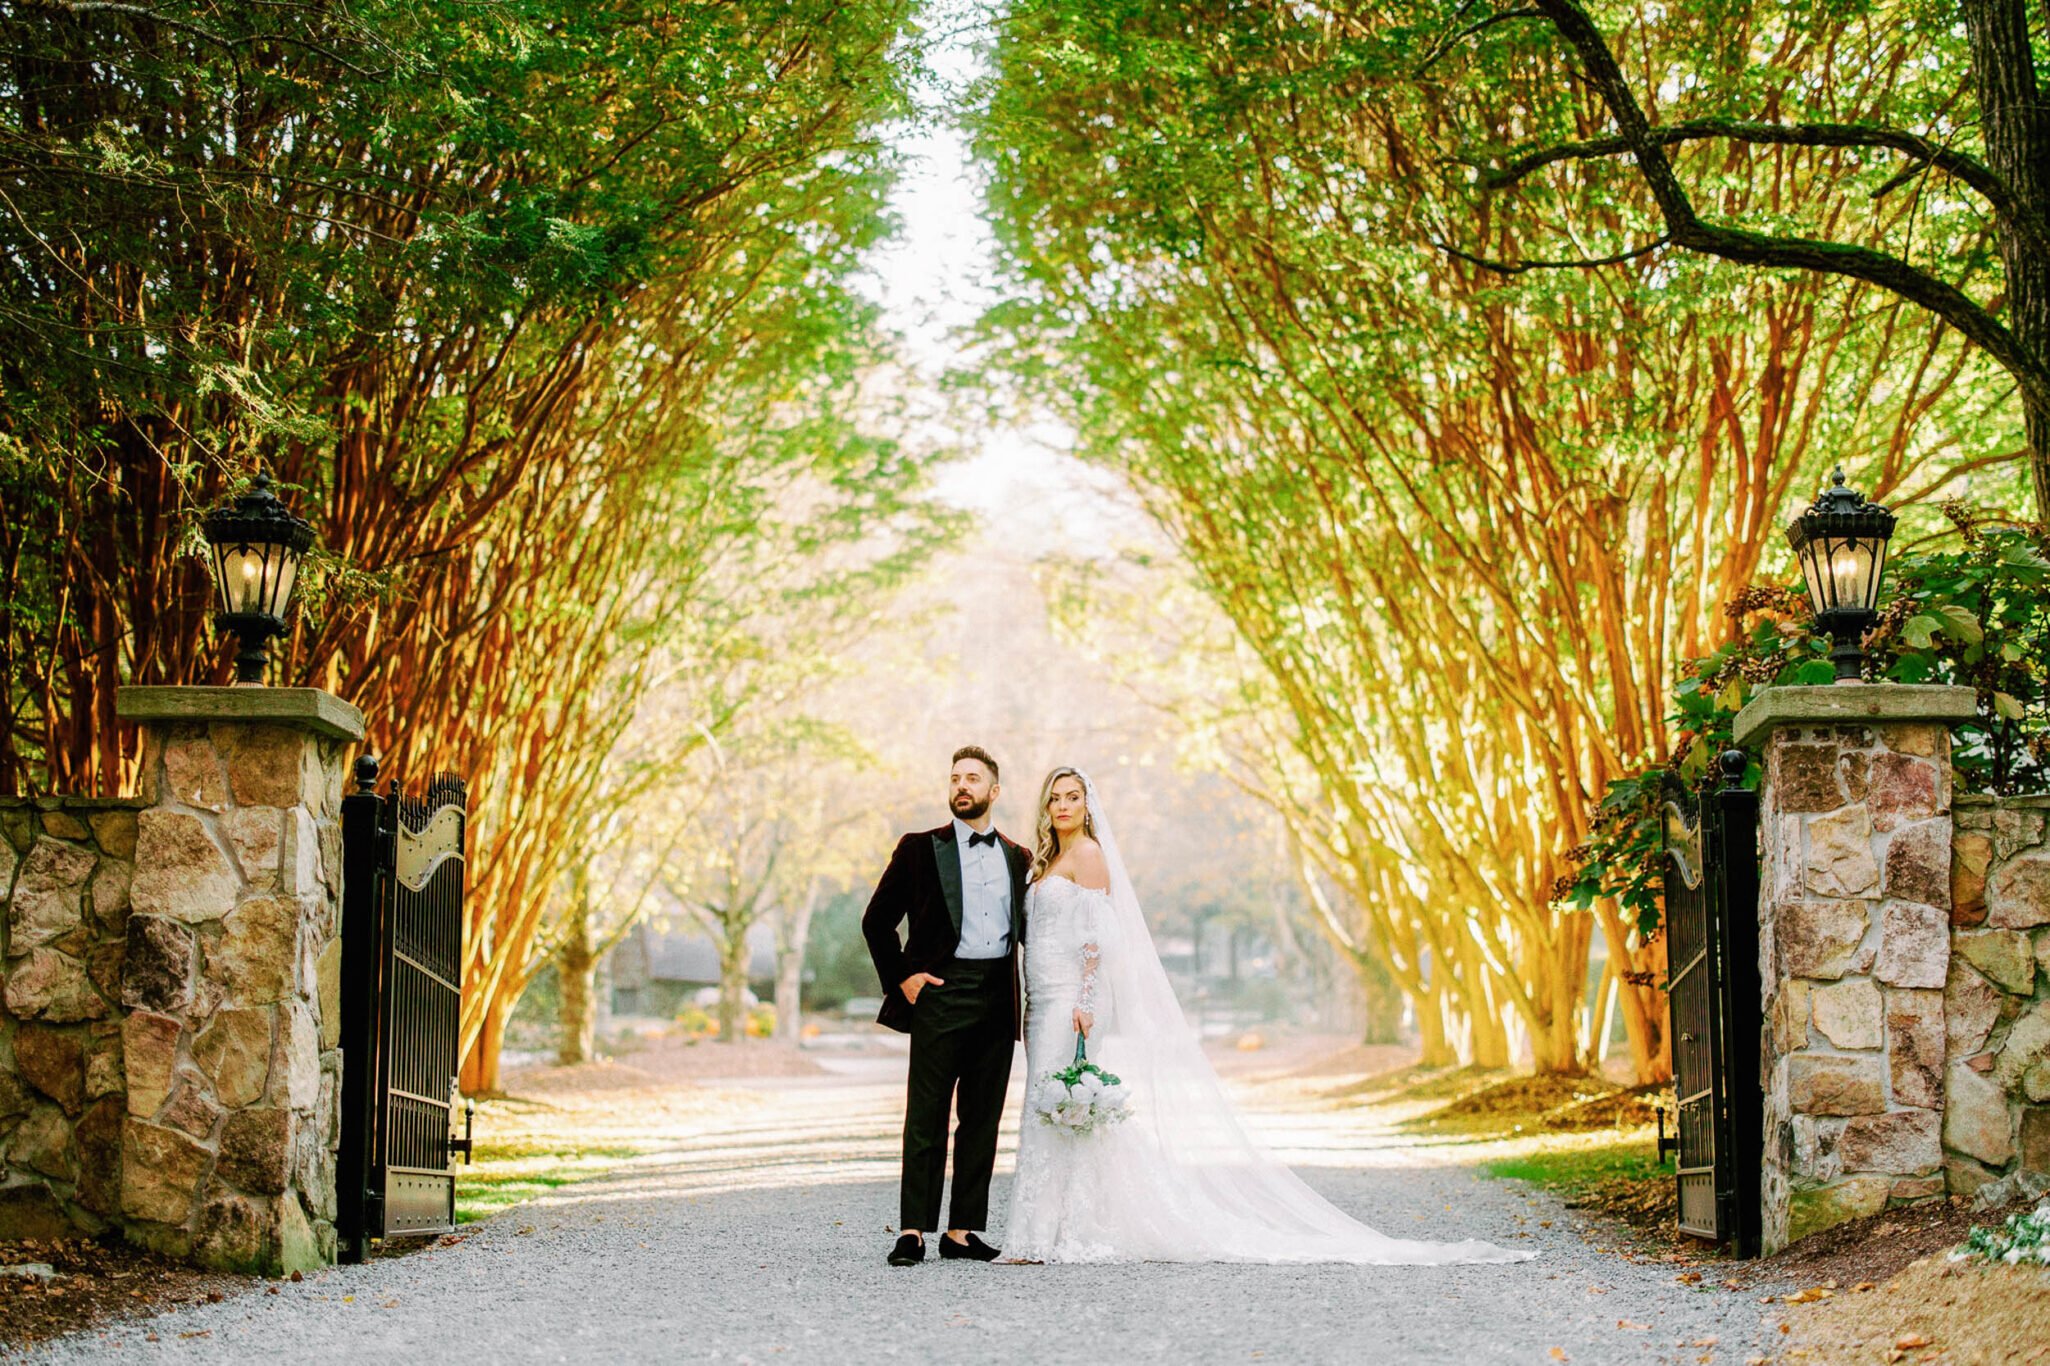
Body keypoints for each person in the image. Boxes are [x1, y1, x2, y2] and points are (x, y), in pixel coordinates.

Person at [1003, 766, 1535, 1266]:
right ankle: (1057, 1225)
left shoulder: (1090, 855)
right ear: (1046, 805)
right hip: (1041, 997)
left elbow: (1098, 937)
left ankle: (1053, 1231)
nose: (1063, 805)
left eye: (1074, 796)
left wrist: (1087, 999)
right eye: (1055, 797)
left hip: (1074, 999)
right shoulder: (1047, 858)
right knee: (1051, 1106)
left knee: (1059, 1104)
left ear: (1089, 805)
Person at [861, 745, 1030, 1267]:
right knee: (927, 1116)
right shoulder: (918, 848)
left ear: (993, 791)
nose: (962, 786)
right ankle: (912, 1231)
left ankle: (961, 1232)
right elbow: (877, 921)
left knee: (982, 1119)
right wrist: (904, 979)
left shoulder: (1018, 857)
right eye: (955, 777)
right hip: (939, 991)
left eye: (972, 779)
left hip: (996, 998)